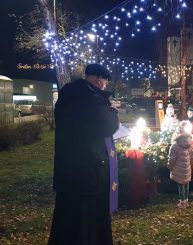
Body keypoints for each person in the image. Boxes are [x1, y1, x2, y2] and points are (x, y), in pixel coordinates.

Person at [48, 64, 119, 245]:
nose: (105, 86)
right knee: (87, 221)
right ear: (98, 79)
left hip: (69, 170)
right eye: (105, 82)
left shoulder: (68, 94)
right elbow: (107, 125)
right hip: (88, 172)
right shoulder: (90, 99)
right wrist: (112, 111)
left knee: (67, 220)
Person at [167, 121, 193, 208]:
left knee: (180, 185)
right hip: (186, 167)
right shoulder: (189, 142)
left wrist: (170, 167)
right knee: (186, 184)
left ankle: (182, 202)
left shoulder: (175, 145)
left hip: (178, 169)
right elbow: (192, 155)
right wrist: (191, 164)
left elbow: (172, 159)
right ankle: (186, 200)